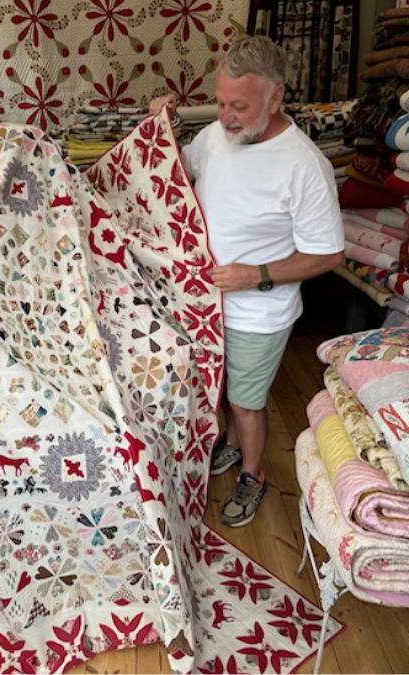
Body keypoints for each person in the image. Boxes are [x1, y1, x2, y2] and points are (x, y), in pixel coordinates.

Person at [149, 35, 344, 527]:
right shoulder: (218, 136)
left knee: (245, 400)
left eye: (239, 105)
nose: (226, 115)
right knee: (219, 390)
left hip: (259, 309)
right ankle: (231, 446)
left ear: (275, 98)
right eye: (220, 102)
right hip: (205, 300)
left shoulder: (304, 167)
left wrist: (254, 274)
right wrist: (160, 127)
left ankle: (253, 474)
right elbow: (175, 171)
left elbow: (328, 253)